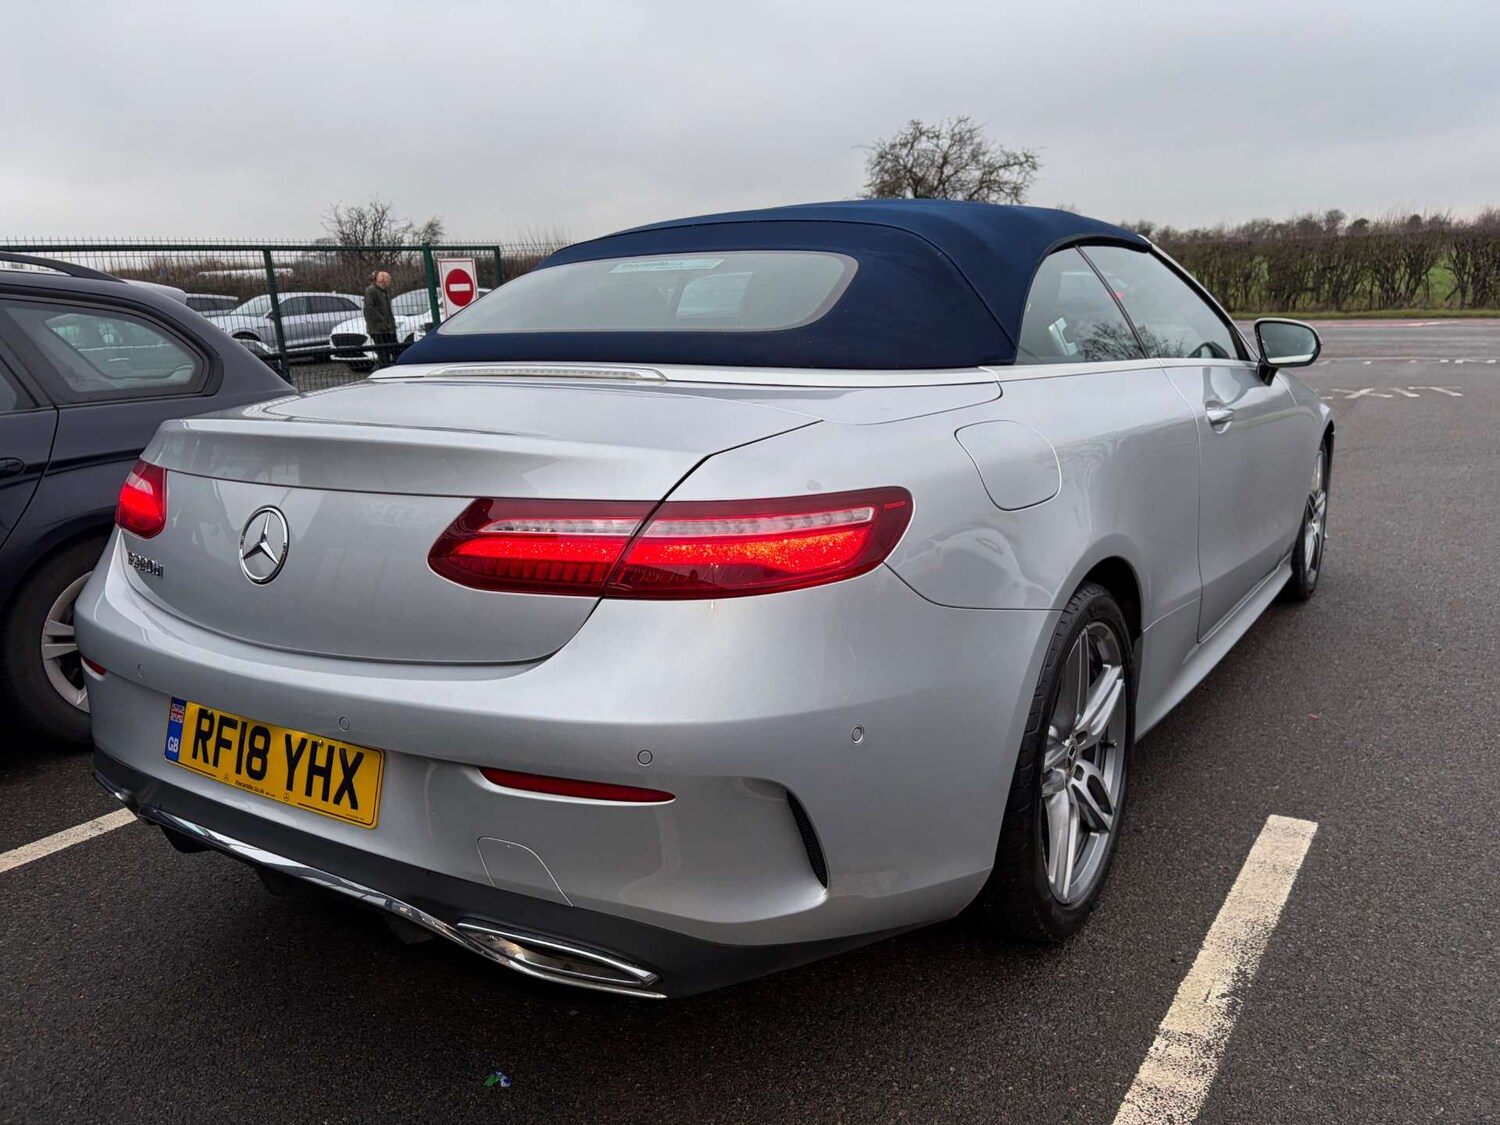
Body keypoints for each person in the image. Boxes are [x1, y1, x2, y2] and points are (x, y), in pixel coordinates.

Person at [363, 270, 399, 367]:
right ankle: (384, 368)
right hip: (378, 329)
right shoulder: (370, 291)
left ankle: (394, 367)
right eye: (388, 281)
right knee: (383, 353)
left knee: (395, 349)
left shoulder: (385, 291)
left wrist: (391, 323)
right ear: (382, 281)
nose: (389, 283)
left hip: (389, 328)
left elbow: (388, 310)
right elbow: (370, 309)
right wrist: (383, 320)